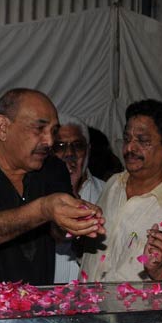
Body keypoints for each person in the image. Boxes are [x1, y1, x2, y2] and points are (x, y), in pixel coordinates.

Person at [0, 88, 104, 285]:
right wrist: (45, 209)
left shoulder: (53, 168)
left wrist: (78, 219)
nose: (49, 141)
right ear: (3, 127)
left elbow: (58, 230)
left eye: (53, 132)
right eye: (39, 129)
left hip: (33, 308)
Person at [81, 100, 162, 283]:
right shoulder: (114, 185)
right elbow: (94, 253)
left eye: (142, 141)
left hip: (138, 311)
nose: (130, 148)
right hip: (88, 305)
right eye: (127, 139)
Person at [52, 114, 106, 284]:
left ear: (88, 150)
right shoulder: (35, 195)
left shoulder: (107, 192)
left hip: (92, 300)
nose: (69, 153)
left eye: (78, 145)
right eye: (60, 146)